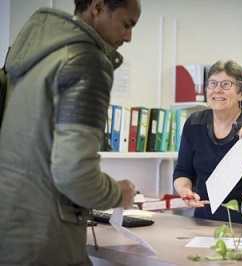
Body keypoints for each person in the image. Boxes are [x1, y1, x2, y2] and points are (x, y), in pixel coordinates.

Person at [0, 0, 141, 265]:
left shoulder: (36, 56)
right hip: (46, 237)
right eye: (126, 24)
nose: (129, 37)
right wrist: (117, 193)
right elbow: (74, 173)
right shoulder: (88, 61)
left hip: (13, 226)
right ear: (98, 7)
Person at [173, 60, 242, 224]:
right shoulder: (194, 123)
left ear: (241, 93)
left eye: (226, 84)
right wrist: (185, 190)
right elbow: (183, 170)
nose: (217, 90)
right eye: (212, 84)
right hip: (203, 221)